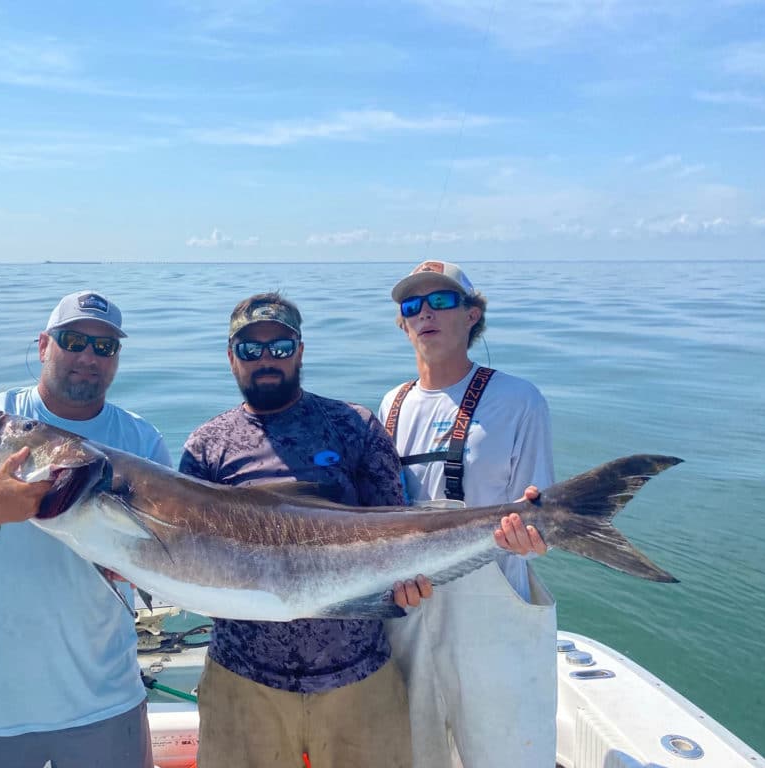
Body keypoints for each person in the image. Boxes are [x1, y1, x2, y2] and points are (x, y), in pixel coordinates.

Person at [0, 290, 170, 768]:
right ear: (44, 345)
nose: (88, 356)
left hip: (104, 698)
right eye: (73, 340)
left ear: (116, 359)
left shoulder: (140, 439)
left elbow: (166, 550)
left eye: (104, 346)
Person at [178, 292, 430, 768]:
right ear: (232, 357)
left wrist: (407, 580)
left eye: (280, 345)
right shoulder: (207, 445)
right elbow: (183, 551)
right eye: (251, 349)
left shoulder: (353, 425)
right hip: (243, 682)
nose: (266, 359)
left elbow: (397, 528)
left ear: (300, 350)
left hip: (360, 679)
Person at [378, 260, 557, 768]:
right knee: (415, 752)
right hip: (410, 604)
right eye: (412, 306)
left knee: (506, 752)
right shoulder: (391, 403)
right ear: (402, 323)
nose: (425, 313)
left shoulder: (518, 399)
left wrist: (534, 535)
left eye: (442, 301)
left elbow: (540, 519)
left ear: (472, 314)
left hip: (492, 611)